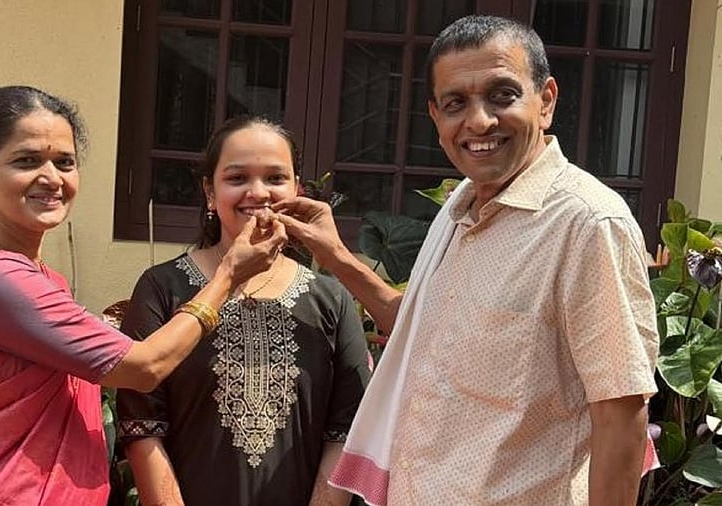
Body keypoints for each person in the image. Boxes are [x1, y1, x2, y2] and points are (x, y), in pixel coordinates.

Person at [274, 15, 658, 506]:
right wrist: (336, 254)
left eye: (502, 95)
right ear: (436, 119)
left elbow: (621, 412)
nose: (478, 121)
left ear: (546, 102)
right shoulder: (458, 210)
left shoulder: (586, 225)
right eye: (457, 103)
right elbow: (415, 325)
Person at [0, 86, 286, 505]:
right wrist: (228, 275)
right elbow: (145, 367)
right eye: (27, 160)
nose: (51, 178)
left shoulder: (37, 277)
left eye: (64, 162)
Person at [116, 116, 371, 506]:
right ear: (209, 191)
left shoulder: (330, 298)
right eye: (237, 178)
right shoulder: (161, 288)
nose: (258, 192)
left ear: (298, 189)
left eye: (275, 178)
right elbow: (142, 426)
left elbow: (347, 429)